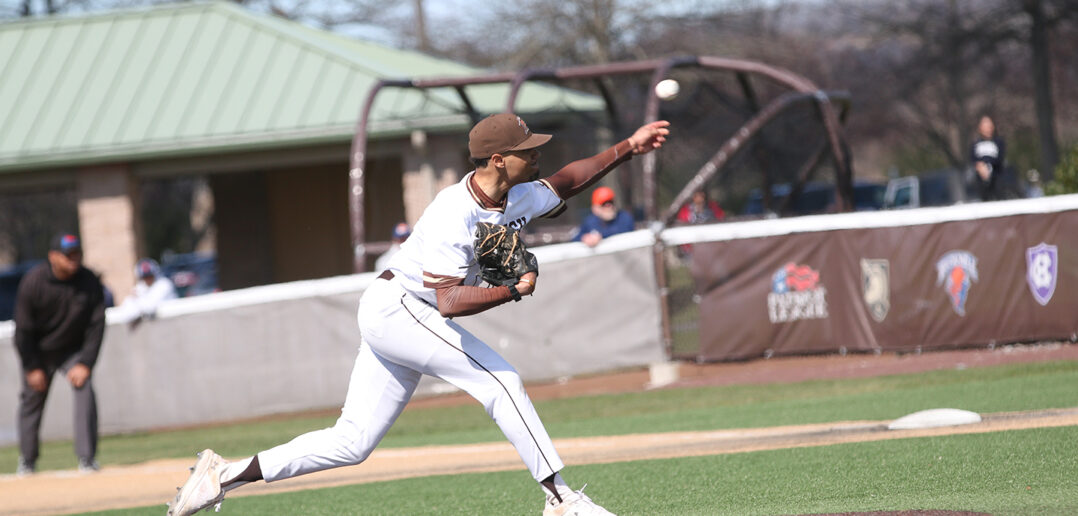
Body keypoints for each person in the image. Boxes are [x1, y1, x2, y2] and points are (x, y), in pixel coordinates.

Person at [167, 113, 669, 516]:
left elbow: (568, 181)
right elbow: (449, 301)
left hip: (404, 313)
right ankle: (562, 500)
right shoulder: (455, 213)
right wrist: (515, 290)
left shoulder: (514, 194)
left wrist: (630, 145)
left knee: (352, 442)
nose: (538, 155)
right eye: (527, 151)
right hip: (401, 310)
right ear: (498, 159)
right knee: (502, 382)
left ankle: (223, 475)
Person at [13, 233, 106, 475]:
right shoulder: (34, 282)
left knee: (84, 388)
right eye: (68, 255)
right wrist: (32, 367)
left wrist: (85, 363)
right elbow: (22, 330)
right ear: (53, 257)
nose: (73, 259)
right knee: (31, 400)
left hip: (72, 350)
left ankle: (87, 459)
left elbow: (97, 325)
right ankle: (27, 460)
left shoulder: (89, 281)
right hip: (39, 352)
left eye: (77, 253)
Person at [113, 258, 178, 325]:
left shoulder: (164, 284)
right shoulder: (140, 287)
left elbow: (150, 308)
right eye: (145, 277)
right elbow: (125, 315)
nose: (148, 279)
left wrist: (137, 300)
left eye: (150, 276)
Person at [969, 115, 1006, 201]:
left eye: (989, 125)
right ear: (980, 128)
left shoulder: (998, 142)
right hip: (981, 179)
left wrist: (988, 165)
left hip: (996, 177)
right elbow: (973, 159)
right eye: (984, 126)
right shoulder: (975, 143)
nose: (987, 128)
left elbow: (1000, 158)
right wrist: (981, 167)